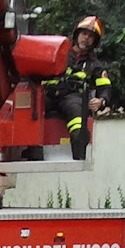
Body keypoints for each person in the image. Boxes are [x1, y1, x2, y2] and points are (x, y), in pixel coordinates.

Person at [43, 16, 112, 161]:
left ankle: (79, 162)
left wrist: (101, 100)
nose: (86, 39)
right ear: (77, 34)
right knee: (29, 110)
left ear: (95, 42)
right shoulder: (58, 51)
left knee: (78, 124)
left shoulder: (95, 65)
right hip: (48, 94)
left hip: (72, 98)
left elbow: (105, 87)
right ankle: (32, 154)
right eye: (84, 34)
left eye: (90, 37)